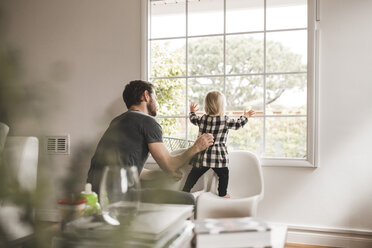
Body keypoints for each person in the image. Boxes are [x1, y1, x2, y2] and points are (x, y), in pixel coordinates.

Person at [86, 80, 214, 205]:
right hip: (119, 195)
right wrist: (196, 147)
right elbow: (170, 165)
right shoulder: (147, 121)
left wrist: (162, 174)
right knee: (188, 200)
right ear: (146, 96)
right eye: (155, 97)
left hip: (94, 193)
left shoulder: (117, 121)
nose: (157, 103)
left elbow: (132, 169)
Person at [182, 91, 255, 198]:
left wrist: (192, 112)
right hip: (217, 156)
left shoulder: (203, 119)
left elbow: (193, 119)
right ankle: (222, 193)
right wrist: (245, 116)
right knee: (223, 174)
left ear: (206, 105)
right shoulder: (225, 120)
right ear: (222, 106)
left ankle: (184, 191)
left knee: (193, 174)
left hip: (203, 154)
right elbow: (238, 124)